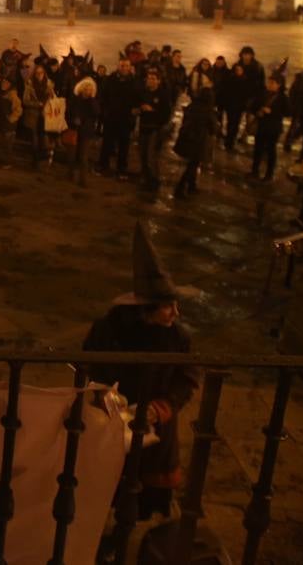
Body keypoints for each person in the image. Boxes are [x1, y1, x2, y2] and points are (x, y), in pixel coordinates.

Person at [84, 223, 201, 526]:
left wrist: (158, 408)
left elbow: (186, 379)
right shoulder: (108, 330)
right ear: (145, 309)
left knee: (143, 495)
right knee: (109, 486)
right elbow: (91, 367)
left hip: (155, 430)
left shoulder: (178, 338)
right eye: (167, 306)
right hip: (112, 423)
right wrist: (105, 396)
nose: (175, 313)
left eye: (177, 305)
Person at [173, 88, 215, 198]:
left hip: (187, 139)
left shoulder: (192, 106)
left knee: (192, 163)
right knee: (193, 164)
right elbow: (213, 127)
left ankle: (192, 186)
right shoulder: (207, 110)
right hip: (198, 141)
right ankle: (181, 187)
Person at [137, 69, 172, 191]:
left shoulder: (163, 94)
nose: (150, 81)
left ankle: (154, 180)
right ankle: (145, 177)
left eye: (153, 79)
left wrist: (153, 111)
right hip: (143, 127)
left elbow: (166, 114)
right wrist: (139, 109)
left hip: (155, 129)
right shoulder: (143, 92)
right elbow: (137, 106)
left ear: (158, 81)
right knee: (142, 154)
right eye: (149, 78)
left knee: (151, 155)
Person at [251, 75, 288, 181]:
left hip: (274, 128)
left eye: (272, 83)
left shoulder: (283, 98)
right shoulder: (262, 94)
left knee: (271, 151)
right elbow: (253, 106)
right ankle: (254, 170)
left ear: (279, 85)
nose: (270, 85)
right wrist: (258, 111)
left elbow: (288, 112)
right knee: (258, 149)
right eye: (269, 82)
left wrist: (272, 112)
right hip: (261, 126)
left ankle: (269, 174)